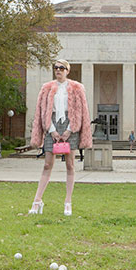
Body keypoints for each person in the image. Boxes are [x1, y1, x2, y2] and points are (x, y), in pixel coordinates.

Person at [29, 59, 92, 217]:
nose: (58, 70)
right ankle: (37, 201)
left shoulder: (77, 88)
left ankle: (68, 202)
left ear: (67, 70)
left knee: (70, 165)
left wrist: (70, 130)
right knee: (47, 164)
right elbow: (42, 111)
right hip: (52, 126)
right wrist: (51, 130)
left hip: (71, 126)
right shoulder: (47, 88)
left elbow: (80, 110)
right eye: (56, 68)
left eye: (62, 68)